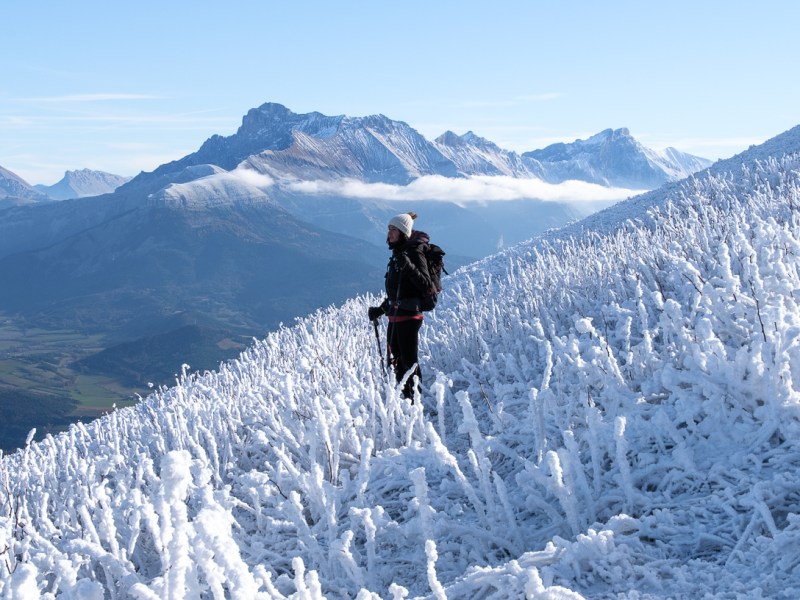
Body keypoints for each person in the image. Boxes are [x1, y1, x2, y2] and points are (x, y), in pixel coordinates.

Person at [368, 212, 432, 400]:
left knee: (408, 361)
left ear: (403, 232)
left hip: (410, 317)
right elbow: (397, 291)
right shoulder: (399, 253)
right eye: (389, 229)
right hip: (396, 315)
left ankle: (415, 402)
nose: (389, 233)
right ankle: (404, 398)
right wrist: (380, 310)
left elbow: (426, 285)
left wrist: (409, 266)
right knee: (395, 360)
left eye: (393, 229)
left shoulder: (414, 253)